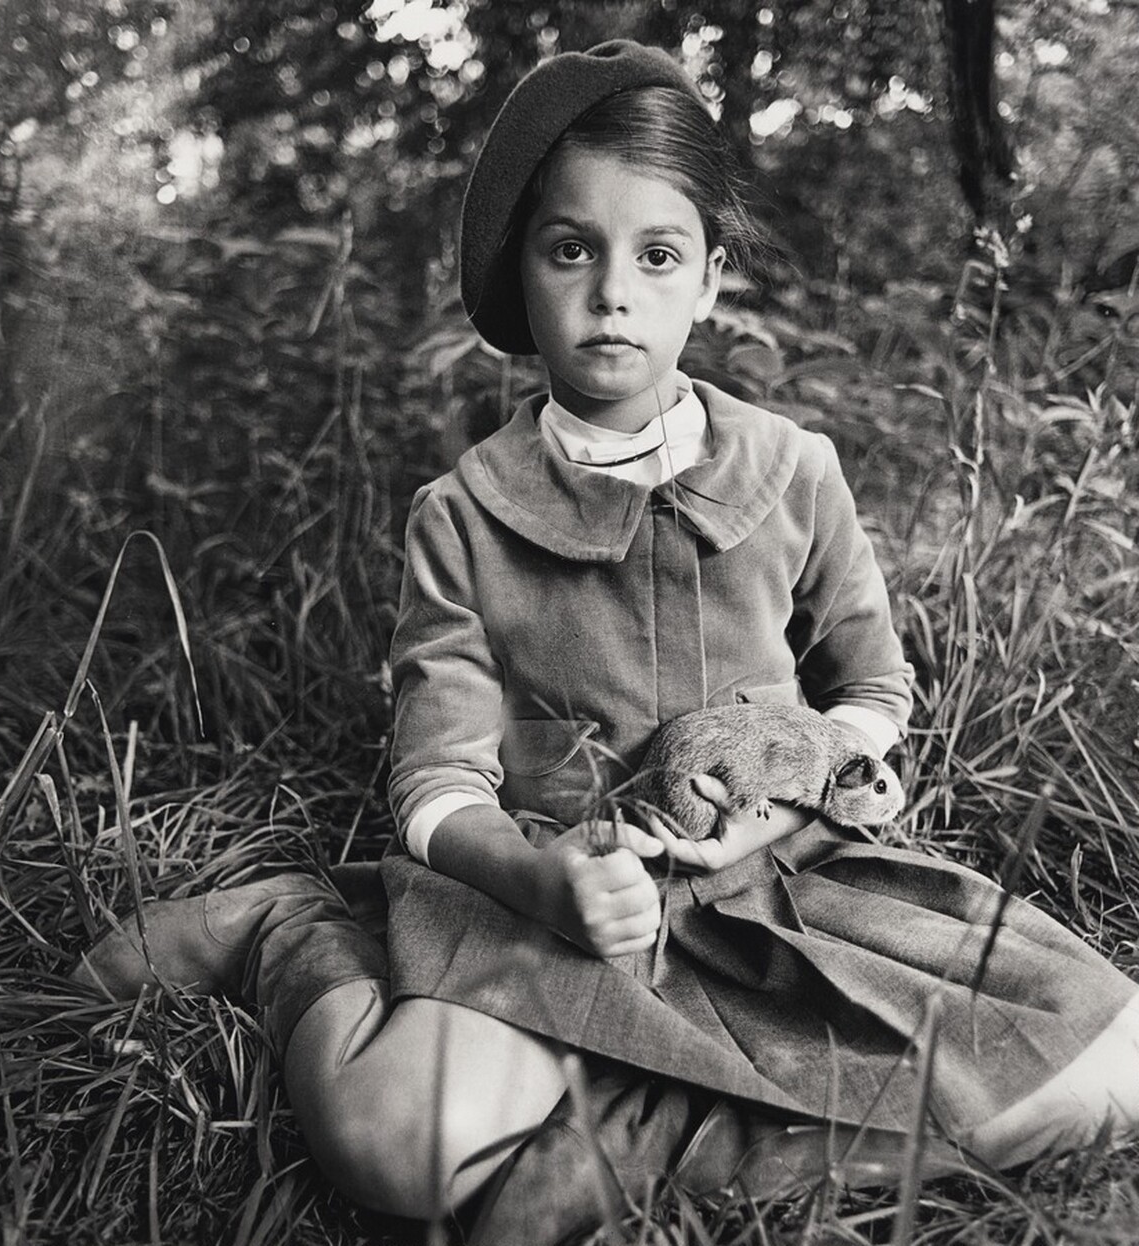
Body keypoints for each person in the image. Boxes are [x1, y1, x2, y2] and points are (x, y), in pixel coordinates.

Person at [73, 39, 1139, 1243]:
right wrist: (544, 878)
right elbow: (436, 782)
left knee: (1118, 1070)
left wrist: (800, 774)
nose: (613, 292)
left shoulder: (794, 472)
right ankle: (294, 930)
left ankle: (585, 1160)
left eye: (659, 255)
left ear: (713, 279)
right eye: (571, 249)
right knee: (392, 1141)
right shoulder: (466, 516)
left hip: (789, 897)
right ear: (524, 273)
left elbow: (875, 691)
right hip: (558, 897)